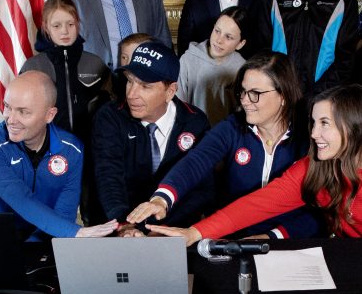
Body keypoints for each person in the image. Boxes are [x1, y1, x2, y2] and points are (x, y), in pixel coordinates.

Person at [148, 84, 362, 294]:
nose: (314, 134)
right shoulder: (317, 165)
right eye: (313, 123)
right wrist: (195, 232)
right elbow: (257, 205)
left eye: (324, 123)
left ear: (359, 125)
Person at [129, 51, 318, 240]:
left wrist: (272, 236)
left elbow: (319, 212)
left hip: (289, 241)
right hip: (230, 237)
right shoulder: (233, 127)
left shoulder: (311, 137)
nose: (244, 100)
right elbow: (197, 161)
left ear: (284, 94)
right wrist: (162, 199)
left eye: (255, 93)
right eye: (242, 91)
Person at [0, 71, 117, 241]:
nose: (11, 119)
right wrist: (75, 232)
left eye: (23, 112)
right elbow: (20, 199)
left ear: (50, 115)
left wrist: (37, 254)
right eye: (7, 107)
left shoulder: (72, 150)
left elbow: (64, 213)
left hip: (42, 239)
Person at [91, 40, 212, 234]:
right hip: (120, 229)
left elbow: (202, 188)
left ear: (170, 91)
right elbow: (108, 176)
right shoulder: (109, 117)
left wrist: (162, 229)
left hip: (175, 232)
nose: (131, 94)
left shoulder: (196, 122)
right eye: (130, 81)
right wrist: (126, 226)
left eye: (145, 87)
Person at [20, 0, 109, 143]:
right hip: (48, 150)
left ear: (78, 24)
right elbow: (22, 113)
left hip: (92, 148)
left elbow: (111, 110)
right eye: (57, 26)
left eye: (70, 24)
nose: (65, 31)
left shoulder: (95, 63)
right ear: (46, 27)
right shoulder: (32, 68)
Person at [176, 6, 249, 124]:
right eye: (217, 31)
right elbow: (178, 106)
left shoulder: (242, 69)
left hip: (226, 136)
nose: (219, 40)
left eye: (228, 37)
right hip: (191, 132)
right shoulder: (188, 59)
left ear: (240, 44)